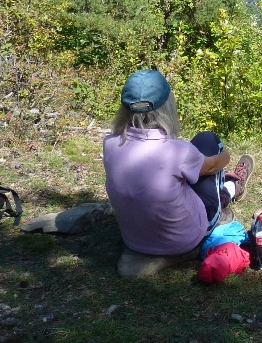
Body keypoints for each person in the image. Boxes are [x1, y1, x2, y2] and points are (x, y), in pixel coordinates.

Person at [102, 69, 254, 257]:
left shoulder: (110, 143)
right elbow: (213, 166)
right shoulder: (178, 151)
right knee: (208, 140)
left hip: (135, 240)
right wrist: (225, 156)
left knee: (187, 168)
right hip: (183, 240)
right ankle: (230, 190)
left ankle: (228, 186)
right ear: (166, 106)